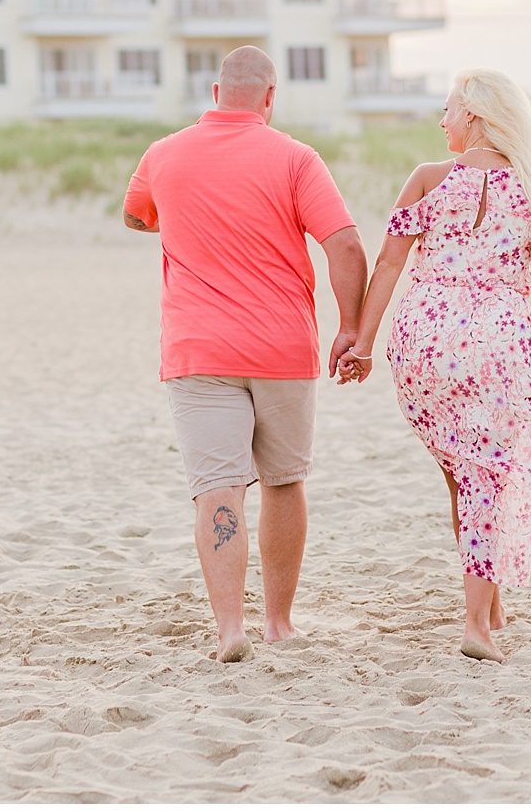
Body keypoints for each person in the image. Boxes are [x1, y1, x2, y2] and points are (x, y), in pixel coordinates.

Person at [123, 46, 368, 663]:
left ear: (213, 92)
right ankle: (278, 623)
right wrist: (352, 328)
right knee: (284, 482)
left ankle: (229, 629)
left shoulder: (163, 154)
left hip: (198, 348)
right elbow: (344, 246)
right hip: (282, 346)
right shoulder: (295, 158)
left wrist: (183, 216)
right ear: (269, 96)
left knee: (217, 489)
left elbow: (134, 217)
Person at [337, 67, 531, 663]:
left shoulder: (426, 179)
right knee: (486, 476)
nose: (441, 120)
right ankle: (477, 623)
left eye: (447, 109)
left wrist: (364, 344)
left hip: (423, 344)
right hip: (495, 345)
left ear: (473, 115)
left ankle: (489, 600)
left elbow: (389, 265)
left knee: (463, 469)